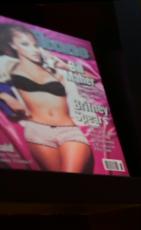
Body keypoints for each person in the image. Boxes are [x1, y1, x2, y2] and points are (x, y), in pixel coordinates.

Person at [0, 24, 92, 173]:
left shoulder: (52, 68)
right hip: (37, 132)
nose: (34, 49)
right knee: (56, 189)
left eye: (35, 45)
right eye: (25, 44)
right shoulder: (8, 67)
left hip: (69, 131)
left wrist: (66, 66)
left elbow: (91, 79)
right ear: (12, 45)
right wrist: (3, 95)